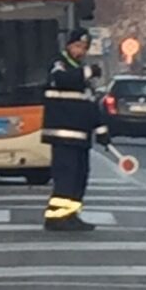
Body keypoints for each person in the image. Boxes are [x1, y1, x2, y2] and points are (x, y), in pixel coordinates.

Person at [41, 27, 110, 232]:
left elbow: (90, 105)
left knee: (79, 177)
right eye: (77, 46)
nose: (81, 51)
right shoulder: (59, 64)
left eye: (84, 48)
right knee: (66, 177)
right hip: (63, 135)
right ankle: (55, 219)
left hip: (80, 137)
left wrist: (101, 130)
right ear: (69, 46)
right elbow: (63, 80)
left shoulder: (81, 73)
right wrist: (88, 72)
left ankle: (71, 215)